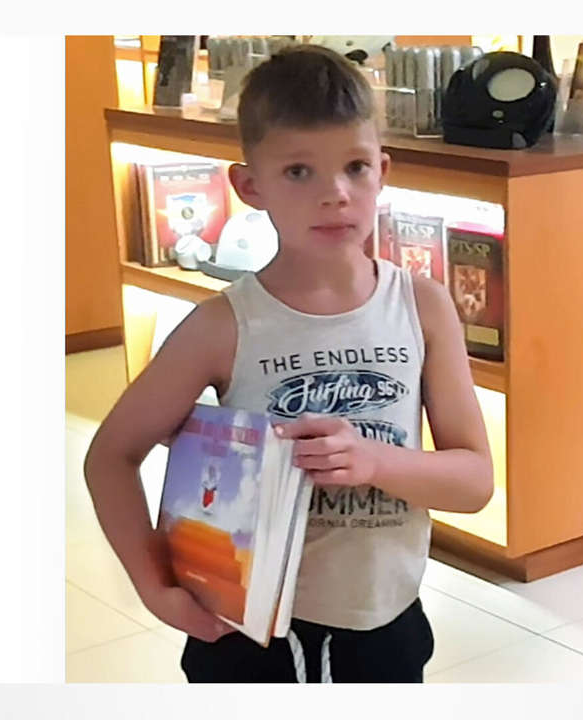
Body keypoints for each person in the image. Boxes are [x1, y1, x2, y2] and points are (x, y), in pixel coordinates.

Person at [83, 44, 493, 683]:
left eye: (355, 167)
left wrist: (375, 461)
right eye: (299, 171)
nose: (335, 194)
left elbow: (474, 481)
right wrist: (155, 586)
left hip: (388, 623)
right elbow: (110, 455)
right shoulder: (223, 326)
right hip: (252, 633)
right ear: (250, 186)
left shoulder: (424, 307)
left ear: (382, 171)